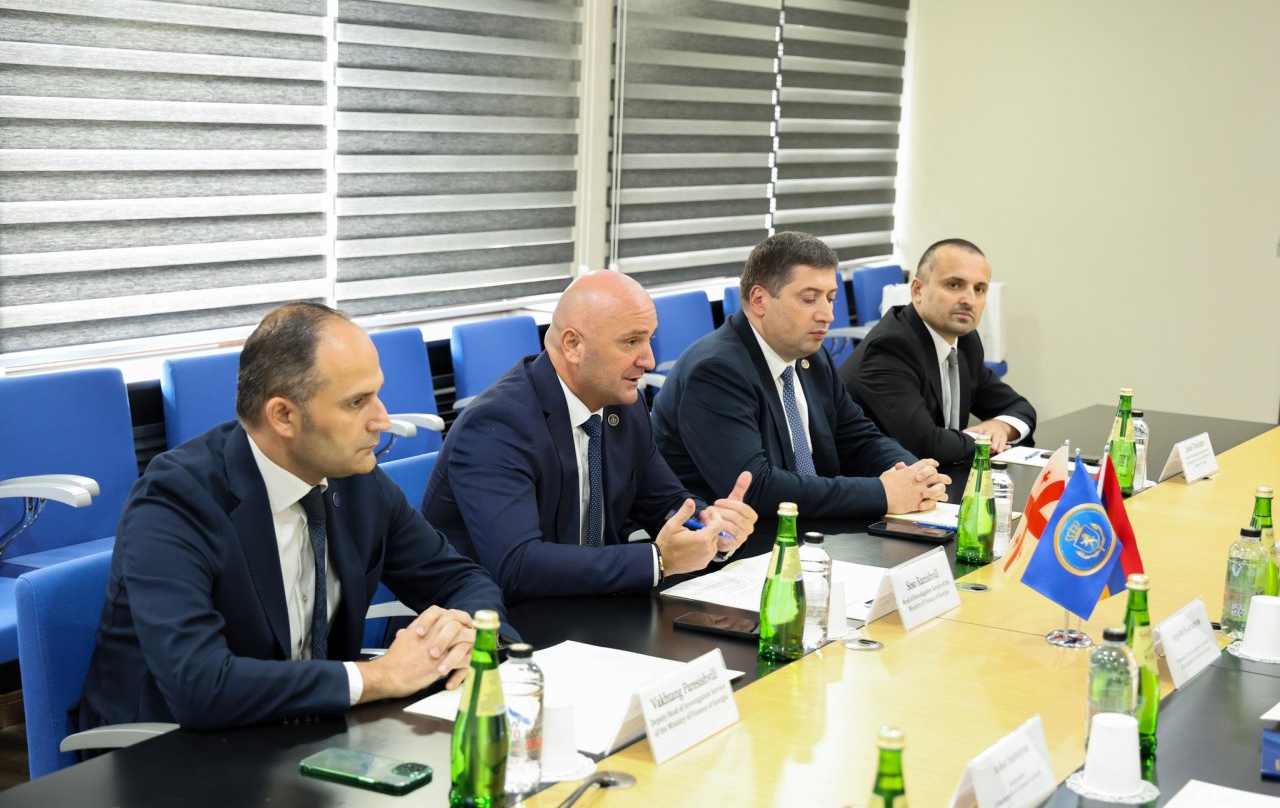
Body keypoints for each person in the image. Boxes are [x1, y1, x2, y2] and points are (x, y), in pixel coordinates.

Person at [80, 303, 514, 733]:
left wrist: (471, 637)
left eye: (376, 394)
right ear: (284, 416)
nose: (382, 420)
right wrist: (381, 676)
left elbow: (461, 580)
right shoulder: (174, 501)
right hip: (170, 748)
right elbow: (199, 684)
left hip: (303, 729)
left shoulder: (356, 480)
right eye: (357, 402)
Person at [423, 270, 757, 603]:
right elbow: (517, 566)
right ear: (573, 345)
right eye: (631, 342)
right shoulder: (497, 425)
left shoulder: (623, 406)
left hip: (590, 602)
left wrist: (710, 526)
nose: (649, 360)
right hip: (498, 618)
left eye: (649, 339)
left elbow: (666, 503)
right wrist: (657, 560)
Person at [651, 232, 950, 519]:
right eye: (809, 299)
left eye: (830, 299)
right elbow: (755, 488)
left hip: (810, 523)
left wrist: (914, 475)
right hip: (732, 541)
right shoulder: (716, 371)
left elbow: (858, 438)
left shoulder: (811, 357)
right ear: (759, 300)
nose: (827, 315)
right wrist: (883, 493)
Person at [838, 239, 1036, 470]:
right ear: (918, 291)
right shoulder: (889, 348)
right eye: (954, 285)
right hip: (873, 483)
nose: (969, 300)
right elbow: (926, 445)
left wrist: (1000, 427)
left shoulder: (965, 341)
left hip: (935, 477)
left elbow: (1019, 407)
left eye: (979, 289)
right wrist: (985, 441)